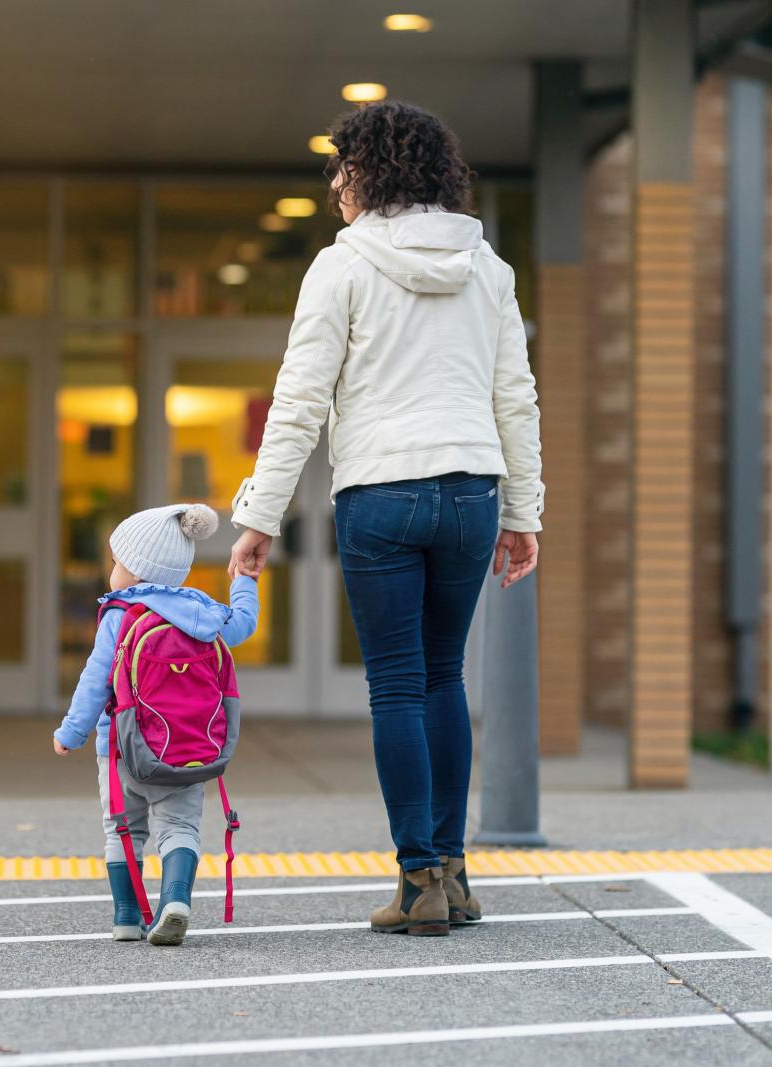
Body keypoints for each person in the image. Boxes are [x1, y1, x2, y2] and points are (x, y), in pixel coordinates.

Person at [227, 101, 543, 937]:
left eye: (341, 167)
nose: (334, 184)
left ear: (372, 171)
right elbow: (516, 398)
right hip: (473, 492)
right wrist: (524, 511)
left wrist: (261, 515)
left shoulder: (342, 267)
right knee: (445, 678)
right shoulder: (490, 269)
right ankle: (456, 874)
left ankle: (417, 883)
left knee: (398, 684)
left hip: (383, 495)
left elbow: (298, 401)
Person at [53, 503, 258, 945]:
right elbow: (242, 625)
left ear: (136, 569)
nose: (112, 571)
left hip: (121, 748)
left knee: (123, 829)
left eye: (116, 562)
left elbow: (95, 679)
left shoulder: (119, 616)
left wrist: (71, 731)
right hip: (187, 747)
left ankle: (127, 917)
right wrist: (244, 582)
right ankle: (176, 901)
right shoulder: (201, 613)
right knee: (180, 828)